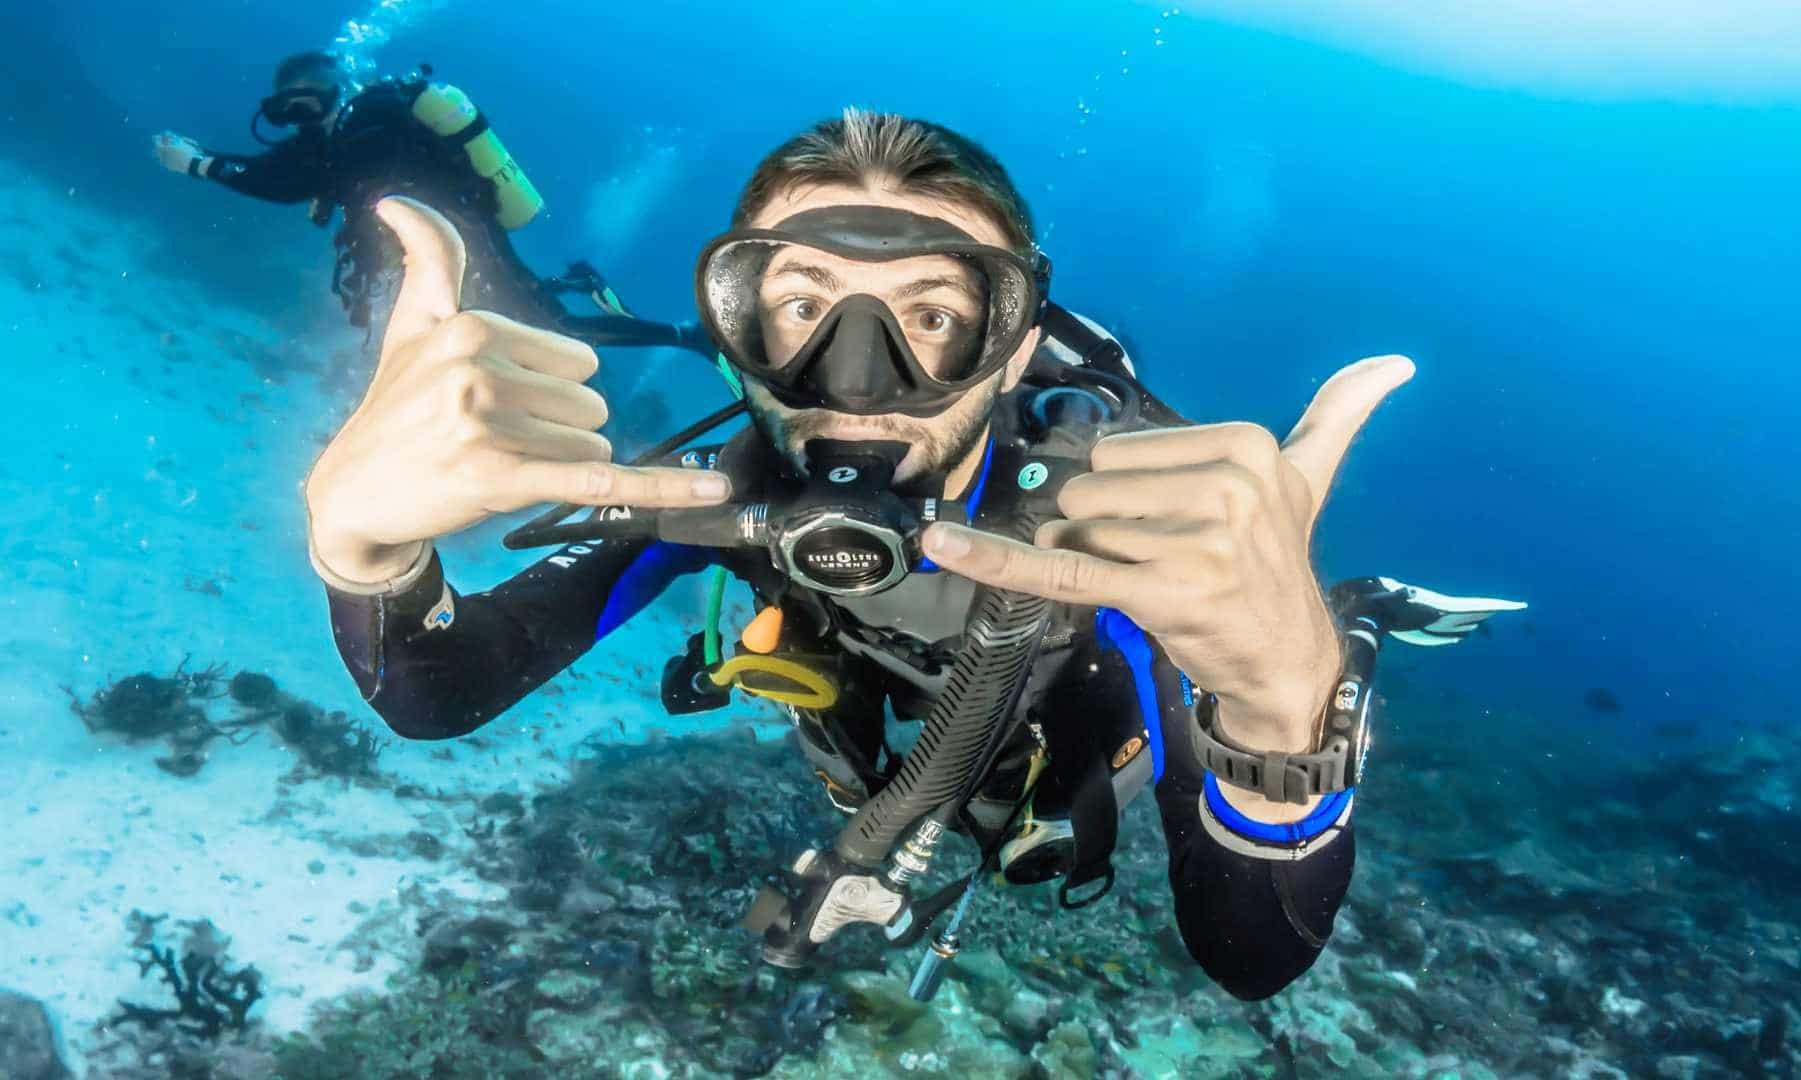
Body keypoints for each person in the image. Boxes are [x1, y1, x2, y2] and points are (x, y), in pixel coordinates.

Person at [301, 109, 1521, 1001]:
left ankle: (1347, 623)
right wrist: (361, 546)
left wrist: (1280, 700)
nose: (859, 379)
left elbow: (1252, 954)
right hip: (893, 766)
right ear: (733, 327)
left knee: (1258, 659)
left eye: (935, 315)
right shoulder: (718, 489)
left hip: (1067, 755)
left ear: (1012, 342)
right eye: (798, 306)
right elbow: (439, 685)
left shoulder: (1110, 536)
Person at [152, 50, 700, 353]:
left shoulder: (368, 118)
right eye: (289, 110)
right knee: (463, 332)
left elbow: (288, 182)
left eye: (308, 100)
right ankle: (574, 284)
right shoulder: (335, 137)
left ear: (331, 89)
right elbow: (286, 170)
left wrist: (204, 166)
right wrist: (208, 158)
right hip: (432, 251)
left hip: (462, 240)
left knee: (555, 330)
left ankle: (686, 336)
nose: (301, 119)